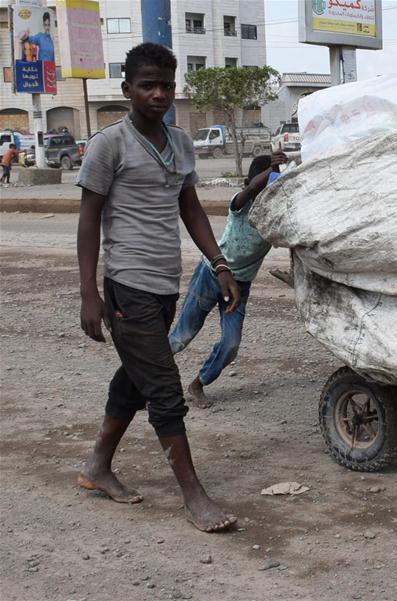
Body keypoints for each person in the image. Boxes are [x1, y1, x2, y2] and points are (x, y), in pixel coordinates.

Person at [76, 42, 240, 533]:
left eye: (166, 85)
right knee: (164, 390)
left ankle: (97, 468)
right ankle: (194, 495)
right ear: (127, 89)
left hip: (164, 285)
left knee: (135, 378)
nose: (158, 93)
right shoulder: (110, 144)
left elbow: (190, 208)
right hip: (127, 285)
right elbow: (88, 221)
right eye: (147, 84)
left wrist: (219, 263)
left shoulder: (181, 142)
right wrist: (89, 292)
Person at [168, 151, 286, 408]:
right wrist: (273, 170)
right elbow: (254, 187)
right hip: (212, 274)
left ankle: (197, 384)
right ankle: (144, 383)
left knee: (231, 345)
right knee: (182, 335)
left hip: (239, 285)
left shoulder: (274, 215)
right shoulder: (241, 204)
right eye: (268, 179)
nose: (271, 185)